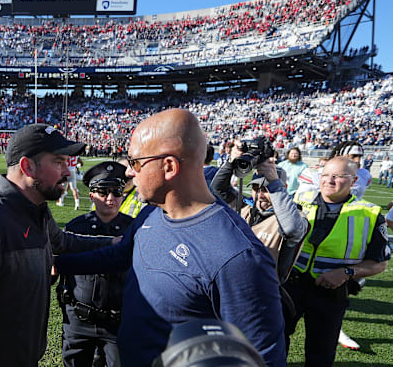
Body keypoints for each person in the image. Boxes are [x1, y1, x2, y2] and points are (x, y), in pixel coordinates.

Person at [55, 109, 286, 367]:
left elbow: (263, 360)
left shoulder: (238, 256)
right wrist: (56, 264)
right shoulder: (152, 213)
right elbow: (119, 255)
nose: (129, 173)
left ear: (168, 166)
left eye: (135, 162)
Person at [0, 124, 115, 367]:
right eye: (58, 161)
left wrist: (116, 243)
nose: (67, 171)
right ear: (27, 166)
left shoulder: (36, 208)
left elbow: (64, 242)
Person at [284, 157, 390, 367]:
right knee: (275, 340)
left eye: (338, 176)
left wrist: (345, 273)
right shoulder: (298, 198)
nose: (329, 181)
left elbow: (380, 263)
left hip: (330, 293)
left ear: (354, 181)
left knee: (320, 352)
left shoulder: (370, 213)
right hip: (289, 286)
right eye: (325, 175)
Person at [57, 161, 134, 367]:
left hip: (117, 323)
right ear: (91, 195)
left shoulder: (133, 228)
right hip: (79, 321)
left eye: (117, 192)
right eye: (103, 191)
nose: (110, 198)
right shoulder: (75, 228)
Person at [211, 152, 308, 283]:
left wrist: (274, 183)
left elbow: (291, 228)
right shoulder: (247, 207)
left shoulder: (295, 215)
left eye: (266, 189)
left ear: (283, 187)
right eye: (256, 188)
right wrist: (232, 162)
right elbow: (218, 189)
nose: (260, 195)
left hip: (264, 289)